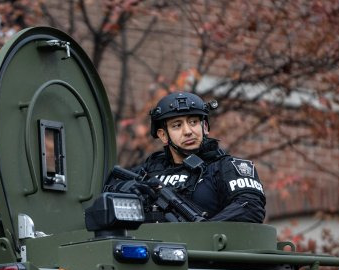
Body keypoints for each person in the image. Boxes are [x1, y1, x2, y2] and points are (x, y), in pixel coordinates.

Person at [104, 91, 266, 223]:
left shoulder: (226, 167)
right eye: (177, 125)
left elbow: (250, 207)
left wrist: (204, 231)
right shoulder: (148, 170)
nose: (188, 131)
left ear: (205, 126)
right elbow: (103, 192)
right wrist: (125, 189)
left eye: (193, 122)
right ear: (163, 135)